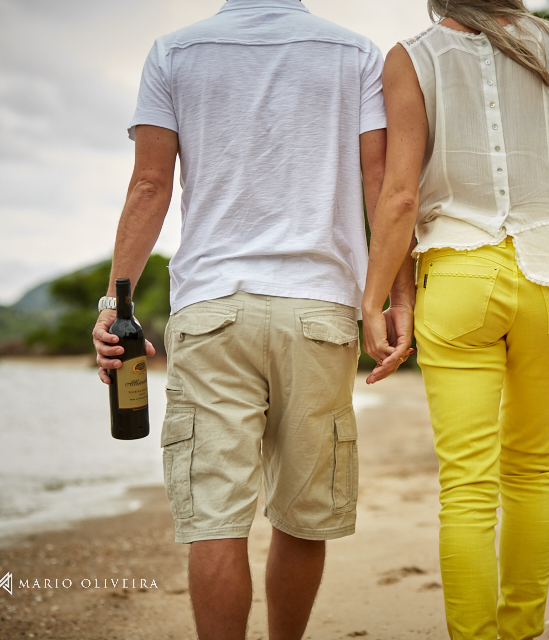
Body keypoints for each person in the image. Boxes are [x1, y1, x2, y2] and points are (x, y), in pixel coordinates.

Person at [92, 1, 414, 638]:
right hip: (320, 310)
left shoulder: (174, 52)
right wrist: (394, 298)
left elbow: (149, 185)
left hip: (212, 311)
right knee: (302, 512)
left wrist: (113, 307)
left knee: (215, 515)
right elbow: (382, 187)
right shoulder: (354, 53)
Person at [361, 0, 549, 638]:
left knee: (466, 485)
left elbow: (400, 195)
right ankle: (521, 631)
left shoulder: (410, 57)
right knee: (530, 468)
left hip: (460, 280)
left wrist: (374, 300)